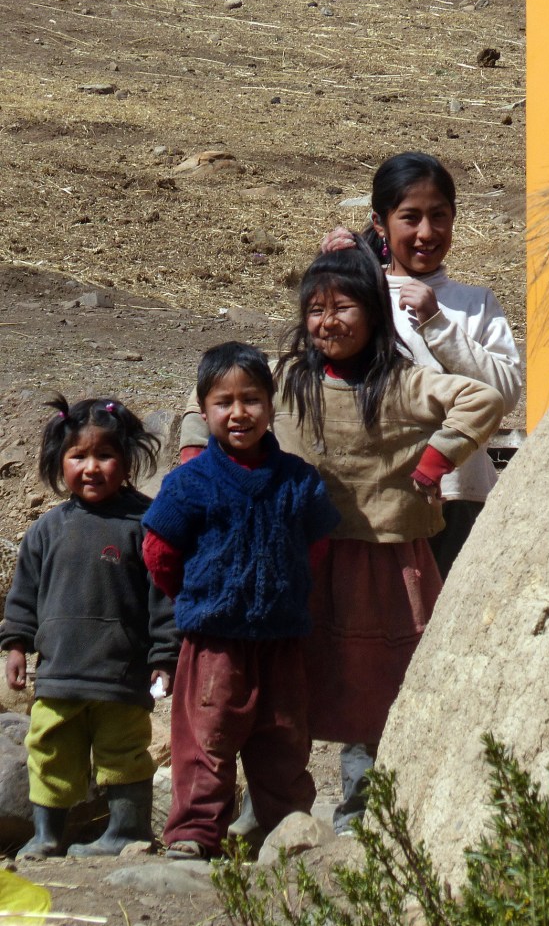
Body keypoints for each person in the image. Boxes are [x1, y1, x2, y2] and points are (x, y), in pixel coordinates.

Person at [179, 243, 504, 834]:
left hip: (384, 561)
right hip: (298, 561)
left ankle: (366, 808)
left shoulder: (404, 382)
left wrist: (436, 459)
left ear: (376, 313)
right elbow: (212, 399)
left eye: (344, 307)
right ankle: (270, 811)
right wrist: (196, 457)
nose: (328, 322)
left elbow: (484, 398)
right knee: (286, 685)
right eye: (316, 309)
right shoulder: (291, 380)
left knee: (382, 685)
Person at [142, 342, 341, 860]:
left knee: (284, 740)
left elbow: (315, 549)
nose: (238, 413)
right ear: (203, 411)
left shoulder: (299, 481)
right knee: (206, 741)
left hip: (282, 641)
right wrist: (197, 597)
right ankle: (193, 835)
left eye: (251, 399)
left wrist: (281, 589)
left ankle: (287, 834)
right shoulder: (189, 483)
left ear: (272, 406)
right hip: (215, 642)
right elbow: (159, 552)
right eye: (223, 402)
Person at [321, 150, 522, 579]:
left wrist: (438, 324)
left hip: (459, 494)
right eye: (410, 217)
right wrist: (333, 275)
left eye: (439, 216)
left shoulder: (475, 304)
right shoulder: (359, 294)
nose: (426, 232)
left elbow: (503, 396)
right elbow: (323, 372)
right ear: (380, 222)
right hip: (374, 495)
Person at [0, 396, 179, 859]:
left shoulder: (145, 524)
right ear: (60, 462)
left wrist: (164, 657)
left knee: (124, 752)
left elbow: (164, 598)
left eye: (105, 455)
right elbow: (23, 597)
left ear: (128, 460)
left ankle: (127, 830)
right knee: (51, 750)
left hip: (121, 674)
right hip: (59, 673)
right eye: (79, 456)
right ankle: (47, 834)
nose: (92, 467)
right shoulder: (47, 530)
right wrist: (16, 644)